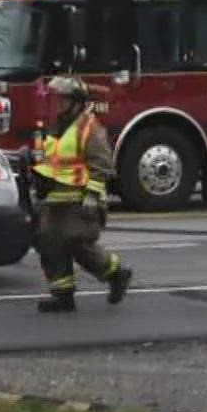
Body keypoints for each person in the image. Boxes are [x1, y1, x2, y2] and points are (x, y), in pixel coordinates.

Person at [29, 76, 131, 313]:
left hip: (80, 199)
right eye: (57, 99)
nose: (58, 104)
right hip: (54, 198)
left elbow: (102, 163)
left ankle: (116, 274)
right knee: (49, 244)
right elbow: (49, 159)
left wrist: (92, 196)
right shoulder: (54, 125)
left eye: (63, 100)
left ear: (76, 102)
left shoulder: (89, 128)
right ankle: (62, 295)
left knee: (76, 244)